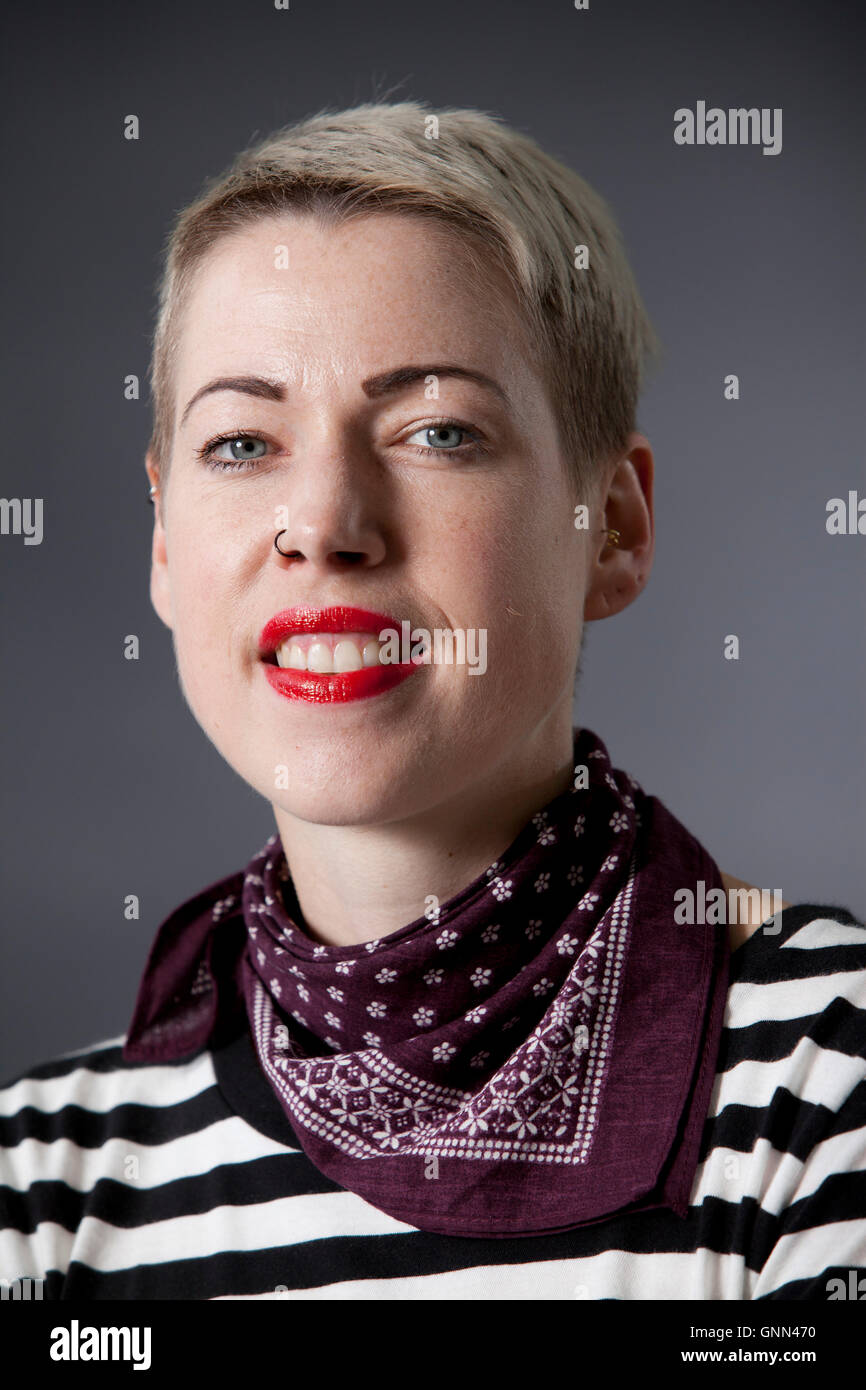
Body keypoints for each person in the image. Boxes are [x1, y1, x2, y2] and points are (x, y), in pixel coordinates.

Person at [1, 101, 863, 1301]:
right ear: (160, 543)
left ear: (611, 526)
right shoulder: (38, 1186)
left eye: (437, 431)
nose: (322, 524)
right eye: (242, 444)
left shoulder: (827, 1077)